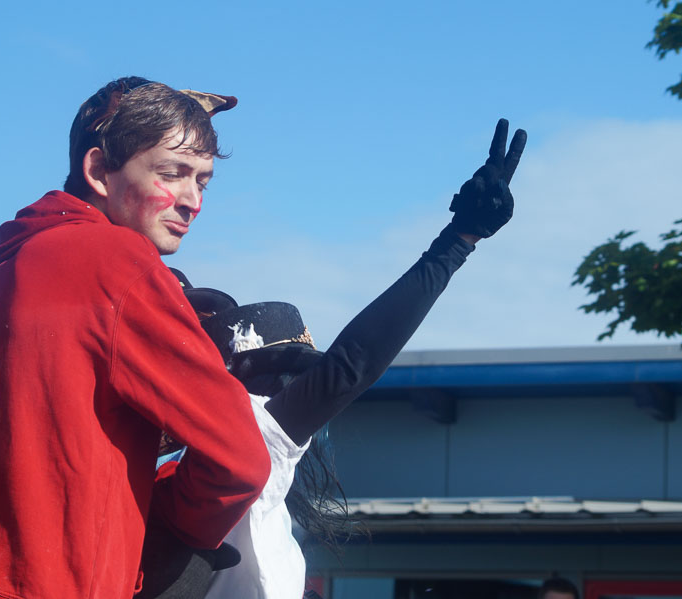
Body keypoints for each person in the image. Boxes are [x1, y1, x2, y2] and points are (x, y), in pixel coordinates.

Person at [0, 77, 271, 599]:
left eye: (202, 182)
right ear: (97, 171)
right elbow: (241, 460)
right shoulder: (116, 262)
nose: (193, 201)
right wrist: (158, 526)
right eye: (172, 173)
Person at [142, 120, 527, 599]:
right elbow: (351, 364)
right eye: (289, 374)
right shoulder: (244, 431)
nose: (301, 393)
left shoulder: (156, 468)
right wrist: (456, 243)